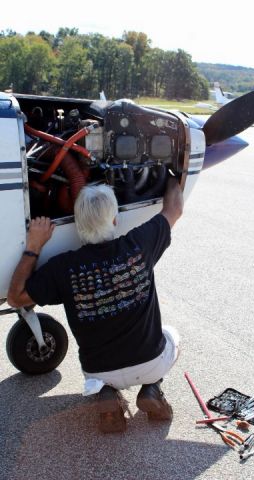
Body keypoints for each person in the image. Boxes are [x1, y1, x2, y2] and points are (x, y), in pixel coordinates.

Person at [7, 177, 184, 433]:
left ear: (77, 224)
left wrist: (34, 246)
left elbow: (15, 298)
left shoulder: (62, 268)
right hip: (150, 362)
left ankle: (107, 392)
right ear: (114, 220)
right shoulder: (139, 245)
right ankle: (152, 386)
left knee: (105, 372)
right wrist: (170, 175)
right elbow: (175, 208)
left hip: (99, 371)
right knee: (173, 336)